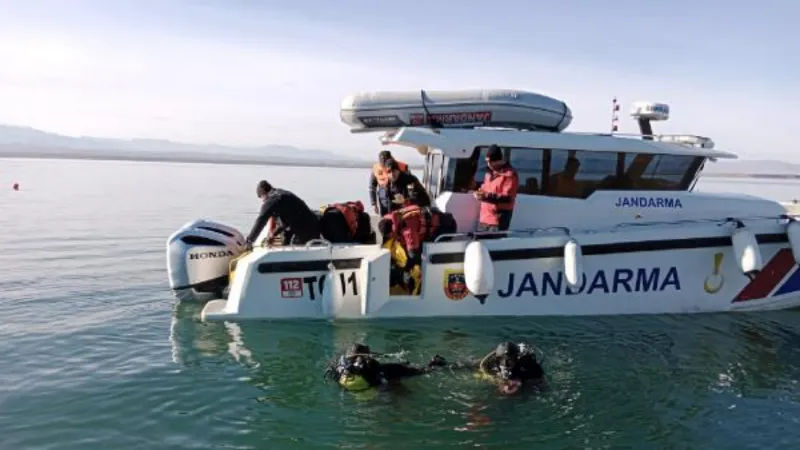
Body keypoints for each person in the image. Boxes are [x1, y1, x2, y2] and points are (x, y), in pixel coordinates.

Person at [377, 205, 457, 294]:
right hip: (436, 216)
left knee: (417, 259)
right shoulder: (397, 215)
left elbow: (414, 256)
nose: (391, 237)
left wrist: (404, 268)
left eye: (390, 236)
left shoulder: (408, 231)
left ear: (391, 232)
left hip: (446, 228)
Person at [324, 344, 448, 392]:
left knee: (416, 371)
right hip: (386, 373)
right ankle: (435, 364)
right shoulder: (368, 364)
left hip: (384, 375)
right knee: (417, 371)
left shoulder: (341, 366)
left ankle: (434, 364)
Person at [245, 180, 321, 247]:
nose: (263, 202)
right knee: (286, 240)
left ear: (263, 195)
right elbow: (287, 220)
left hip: (304, 234)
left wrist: (249, 241)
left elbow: (261, 220)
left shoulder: (271, 201)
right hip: (314, 228)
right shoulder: (282, 194)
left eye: (261, 199)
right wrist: (274, 233)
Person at [473, 145, 519, 233]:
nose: (488, 164)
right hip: (484, 219)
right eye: (487, 161)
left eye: (490, 161)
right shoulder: (489, 173)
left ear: (498, 160)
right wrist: (477, 190)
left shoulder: (510, 175)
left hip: (497, 221)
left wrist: (484, 196)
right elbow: (485, 188)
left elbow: (507, 198)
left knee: (493, 243)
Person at [369, 150, 411, 215]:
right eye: (382, 163)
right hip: (384, 201)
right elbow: (372, 187)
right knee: (385, 221)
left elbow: (410, 186)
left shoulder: (403, 167)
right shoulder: (376, 168)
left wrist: (407, 202)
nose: (384, 166)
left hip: (399, 201)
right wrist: (373, 203)